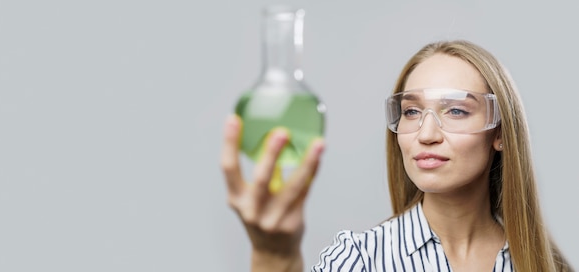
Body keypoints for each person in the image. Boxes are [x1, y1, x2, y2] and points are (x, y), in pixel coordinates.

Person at [220, 40, 574, 271]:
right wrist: (275, 255)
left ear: (499, 132)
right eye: (411, 112)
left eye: (456, 111)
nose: (427, 134)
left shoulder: (546, 265)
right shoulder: (358, 260)